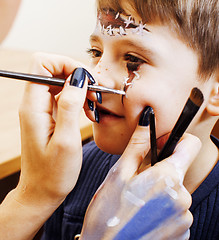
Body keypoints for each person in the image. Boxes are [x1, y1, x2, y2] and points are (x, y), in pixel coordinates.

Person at [0, 0, 218, 240]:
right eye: (96, 52)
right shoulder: (76, 167)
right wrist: (32, 196)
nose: (96, 78)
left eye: (132, 59)